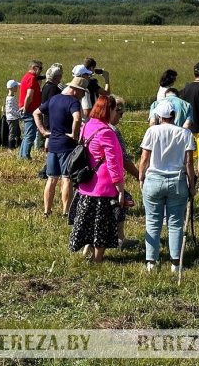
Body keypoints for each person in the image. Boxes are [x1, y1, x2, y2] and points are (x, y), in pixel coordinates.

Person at [139, 99, 197, 273]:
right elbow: (188, 162)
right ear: (174, 115)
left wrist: (141, 177)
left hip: (154, 180)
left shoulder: (152, 131)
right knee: (175, 222)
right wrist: (192, 184)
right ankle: (175, 263)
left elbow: (144, 159)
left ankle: (151, 261)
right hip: (177, 181)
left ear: (159, 116)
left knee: (153, 221)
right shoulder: (185, 134)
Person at [69, 94, 126, 263]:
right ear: (108, 110)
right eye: (115, 109)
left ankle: (87, 251)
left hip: (86, 183)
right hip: (103, 186)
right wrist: (120, 189)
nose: (116, 113)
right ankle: (97, 258)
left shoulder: (88, 126)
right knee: (101, 225)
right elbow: (114, 163)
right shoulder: (107, 132)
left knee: (87, 221)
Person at [34, 76, 88, 216]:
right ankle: (66, 211)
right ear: (76, 90)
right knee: (67, 178)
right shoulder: (73, 102)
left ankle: (47, 211)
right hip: (67, 145)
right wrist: (74, 135)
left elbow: (36, 113)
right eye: (83, 92)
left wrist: (43, 131)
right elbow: (77, 118)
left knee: (51, 179)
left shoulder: (54, 99)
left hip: (53, 144)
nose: (83, 95)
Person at [108, 96, 139, 250]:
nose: (121, 117)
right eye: (120, 114)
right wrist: (138, 175)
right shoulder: (113, 131)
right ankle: (119, 238)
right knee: (121, 204)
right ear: (114, 111)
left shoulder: (91, 125)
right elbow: (124, 159)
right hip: (112, 178)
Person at [17, 60, 43, 159]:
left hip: (28, 109)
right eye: (40, 68)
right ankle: (26, 156)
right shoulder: (31, 78)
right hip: (30, 110)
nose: (41, 71)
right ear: (34, 68)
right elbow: (29, 95)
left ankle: (21, 156)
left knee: (27, 134)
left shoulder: (26, 77)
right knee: (30, 135)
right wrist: (25, 107)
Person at [4, 80, 21, 149]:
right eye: (16, 86)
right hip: (12, 118)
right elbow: (9, 109)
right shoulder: (10, 98)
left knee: (17, 132)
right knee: (12, 133)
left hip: (15, 117)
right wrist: (19, 114)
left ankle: (17, 144)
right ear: (12, 88)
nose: (17, 87)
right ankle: (11, 146)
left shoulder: (12, 97)